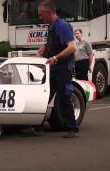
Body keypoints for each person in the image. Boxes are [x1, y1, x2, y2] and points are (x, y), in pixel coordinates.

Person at [37, 0, 79, 138]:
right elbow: (54, 42)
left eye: (41, 14)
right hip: (53, 68)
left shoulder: (62, 26)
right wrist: (45, 48)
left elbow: (72, 47)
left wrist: (55, 58)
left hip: (63, 68)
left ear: (49, 13)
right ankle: (37, 125)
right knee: (44, 96)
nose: (40, 17)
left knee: (64, 98)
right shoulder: (51, 26)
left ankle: (72, 129)